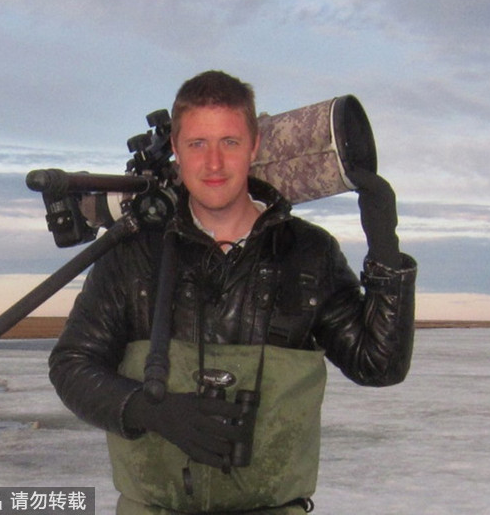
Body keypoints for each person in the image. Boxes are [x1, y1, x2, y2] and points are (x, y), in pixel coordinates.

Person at [49, 70, 417, 514]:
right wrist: (149, 411)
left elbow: (378, 365)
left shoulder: (308, 254)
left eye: (230, 142)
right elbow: (72, 365)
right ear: (176, 150)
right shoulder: (134, 253)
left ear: (255, 146)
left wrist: (385, 250)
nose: (214, 163)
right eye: (197, 144)